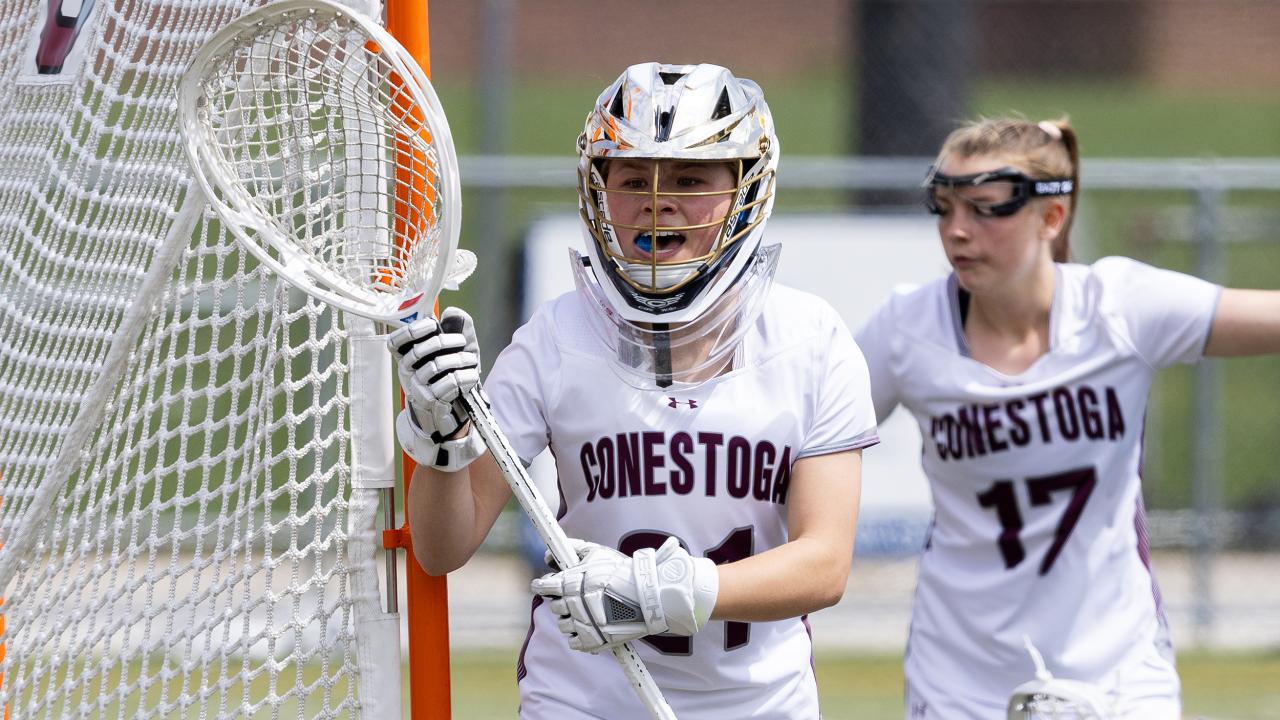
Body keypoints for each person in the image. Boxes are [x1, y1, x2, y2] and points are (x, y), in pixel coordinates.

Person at [391, 62, 879, 719]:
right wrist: (440, 437)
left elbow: (825, 564)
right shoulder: (555, 338)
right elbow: (441, 547)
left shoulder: (810, 342)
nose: (657, 199)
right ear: (597, 189)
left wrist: (667, 591)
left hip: (759, 706)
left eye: (689, 177)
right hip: (583, 702)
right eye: (632, 178)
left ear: (747, 189)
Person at [853, 116, 1280, 719]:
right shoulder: (905, 329)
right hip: (961, 677)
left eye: (983, 209)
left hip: (1119, 670)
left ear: (1051, 219)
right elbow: (804, 437)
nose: (956, 231)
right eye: (944, 208)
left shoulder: (1120, 308)